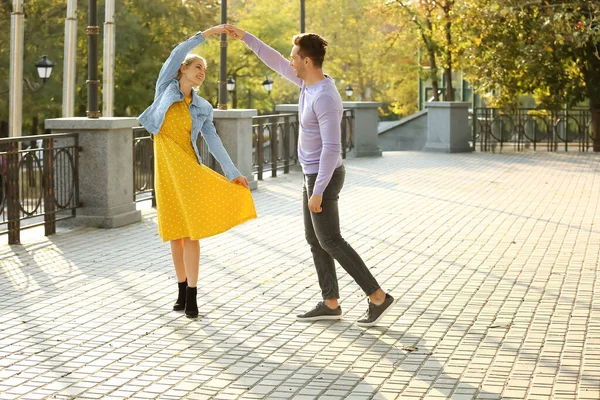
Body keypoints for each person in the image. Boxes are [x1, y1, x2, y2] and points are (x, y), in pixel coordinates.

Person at [224, 25, 395, 327]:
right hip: (311, 175)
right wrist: (246, 37)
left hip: (324, 176)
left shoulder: (325, 97)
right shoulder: (307, 84)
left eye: (294, 57)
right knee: (315, 239)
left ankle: (377, 295)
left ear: (306, 61)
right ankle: (331, 302)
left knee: (330, 239)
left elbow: (332, 148)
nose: (289, 61)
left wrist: (317, 191)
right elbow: (275, 61)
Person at [138, 26, 257, 318]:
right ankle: (180, 289)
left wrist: (232, 173)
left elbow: (213, 140)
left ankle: (192, 294)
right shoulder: (165, 87)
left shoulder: (202, 107)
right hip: (166, 172)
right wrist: (210, 32)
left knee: (191, 233)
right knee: (175, 234)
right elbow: (177, 52)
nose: (202, 72)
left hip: (188, 171)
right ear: (183, 69)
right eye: (197, 67)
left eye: (204, 69)